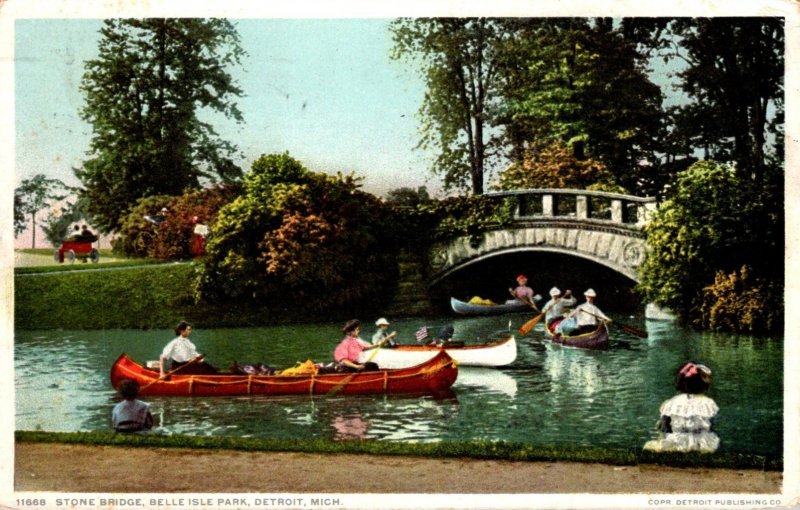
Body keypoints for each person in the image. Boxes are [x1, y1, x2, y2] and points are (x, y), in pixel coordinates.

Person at [643, 361, 720, 453]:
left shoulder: (672, 403)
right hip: (702, 442)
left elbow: (665, 427)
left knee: (649, 445)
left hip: (678, 441)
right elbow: (710, 426)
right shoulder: (708, 403)